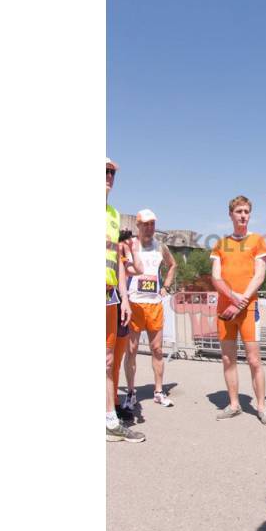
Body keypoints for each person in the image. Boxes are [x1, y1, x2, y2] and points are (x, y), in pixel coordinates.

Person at [210, 195, 266, 425]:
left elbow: (260, 274)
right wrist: (232, 297)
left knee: (254, 360)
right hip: (225, 310)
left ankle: (261, 407)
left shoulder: (257, 241)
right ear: (231, 214)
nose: (243, 215)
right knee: (228, 359)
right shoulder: (221, 243)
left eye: (246, 211)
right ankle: (234, 404)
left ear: (250, 214)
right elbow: (216, 276)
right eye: (238, 211)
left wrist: (243, 299)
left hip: (248, 309)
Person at [105, 157, 145, 442]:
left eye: (112, 173)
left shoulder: (112, 214)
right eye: (104, 171)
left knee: (108, 360)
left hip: (108, 296)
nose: (109, 176)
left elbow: (118, 262)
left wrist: (124, 299)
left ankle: (108, 419)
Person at [122, 209, 178, 411]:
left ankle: (158, 391)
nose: (149, 227)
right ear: (138, 225)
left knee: (157, 350)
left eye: (152, 223)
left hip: (154, 304)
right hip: (134, 304)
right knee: (132, 350)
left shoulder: (160, 247)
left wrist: (165, 287)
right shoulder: (130, 246)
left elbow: (172, 265)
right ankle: (130, 392)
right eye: (145, 224)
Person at [113, 229, 135, 423]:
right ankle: (111, 404)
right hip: (110, 302)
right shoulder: (112, 252)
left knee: (116, 360)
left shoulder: (123, 259)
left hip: (121, 303)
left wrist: (131, 252)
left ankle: (114, 402)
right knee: (108, 359)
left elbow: (139, 268)